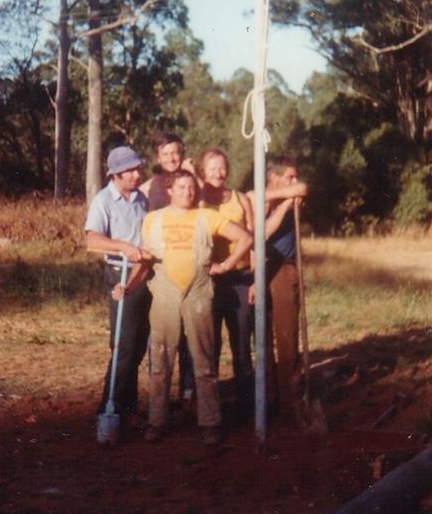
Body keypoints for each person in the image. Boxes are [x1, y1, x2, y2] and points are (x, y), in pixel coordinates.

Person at [128, 169, 253, 446]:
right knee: (160, 361)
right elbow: (144, 260)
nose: (188, 192)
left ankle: (210, 423)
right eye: (181, 187)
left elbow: (246, 238)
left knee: (204, 361)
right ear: (170, 190)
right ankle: (156, 421)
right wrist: (127, 286)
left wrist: (226, 265)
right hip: (164, 292)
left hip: (198, 291)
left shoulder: (207, 216)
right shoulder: (153, 219)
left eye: (191, 187)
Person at [84, 146, 151, 444]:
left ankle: (128, 407)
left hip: (144, 273)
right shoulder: (103, 200)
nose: (137, 174)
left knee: (137, 346)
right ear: (116, 173)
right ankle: (107, 410)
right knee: (123, 345)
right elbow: (92, 240)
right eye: (131, 170)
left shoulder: (141, 198)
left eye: (138, 169)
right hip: (120, 273)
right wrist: (123, 246)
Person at [139, 133, 197, 405]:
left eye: (175, 153)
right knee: (160, 333)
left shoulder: (192, 183)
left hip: (190, 263)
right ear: (157, 158)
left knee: (189, 333)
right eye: (165, 154)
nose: (171, 158)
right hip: (160, 268)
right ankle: (158, 395)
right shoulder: (149, 187)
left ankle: (188, 390)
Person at [198, 149, 255, 419]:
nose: (217, 173)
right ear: (202, 171)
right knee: (209, 345)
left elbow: (253, 241)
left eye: (221, 168)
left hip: (240, 279)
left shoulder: (241, 198)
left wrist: (255, 279)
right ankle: (210, 408)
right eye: (211, 168)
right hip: (209, 280)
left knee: (241, 343)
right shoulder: (197, 201)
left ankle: (246, 407)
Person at [252, 155, 307, 423]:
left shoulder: (287, 192)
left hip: (284, 269)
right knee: (261, 339)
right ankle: (267, 401)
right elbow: (259, 235)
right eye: (289, 176)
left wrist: (286, 195)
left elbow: (302, 188)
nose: (294, 181)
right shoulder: (255, 197)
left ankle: (289, 404)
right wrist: (284, 204)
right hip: (258, 269)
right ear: (272, 178)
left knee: (287, 338)